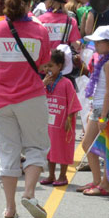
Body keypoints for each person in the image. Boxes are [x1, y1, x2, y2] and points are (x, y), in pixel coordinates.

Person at [0, 0, 51, 218]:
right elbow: (43, 64)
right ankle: (29, 193)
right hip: (31, 97)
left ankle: (10, 208)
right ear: (29, 4)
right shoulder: (40, 30)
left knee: (7, 152)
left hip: (1, 100)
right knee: (36, 147)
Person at [78, 24, 109, 197]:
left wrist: (103, 116)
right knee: (87, 144)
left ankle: (104, 185)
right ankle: (97, 181)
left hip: (106, 108)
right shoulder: (104, 60)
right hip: (99, 107)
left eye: (99, 42)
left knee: (105, 149)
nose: (95, 45)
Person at [41, 46, 80, 188]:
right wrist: (42, 85)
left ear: (59, 66)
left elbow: (73, 102)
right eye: (46, 66)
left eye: (50, 66)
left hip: (62, 123)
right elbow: (35, 97)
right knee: (49, 149)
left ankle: (63, 175)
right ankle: (51, 175)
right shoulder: (44, 82)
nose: (47, 69)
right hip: (48, 123)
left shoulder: (66, 83)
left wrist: (69, 118)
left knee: (63, 148)